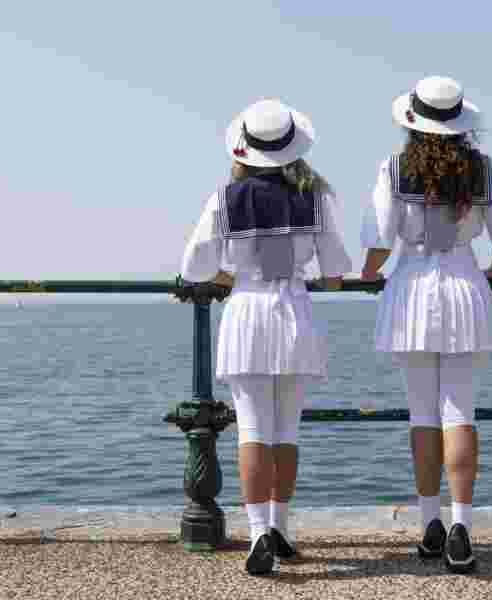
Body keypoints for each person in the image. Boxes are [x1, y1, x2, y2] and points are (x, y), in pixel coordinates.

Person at [181, 99, 351, 575]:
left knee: (252, 429)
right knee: (286, 432)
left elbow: (192, 266)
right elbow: (336, 270)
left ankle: (257, 532)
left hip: (247, 311)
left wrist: (231, 276)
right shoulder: (314, 197)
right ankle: (280, 527)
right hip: (294, 309)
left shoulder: (224, 198)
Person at [360, 76, 492, 573]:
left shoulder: (394, 168)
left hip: (410, 292)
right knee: (460, 412)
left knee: (422, 415)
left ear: (413, 121)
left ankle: (430, 521)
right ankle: (462, 529)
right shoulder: (483, 169)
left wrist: (368, 275)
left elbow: (382, 240)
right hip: (464, 286)